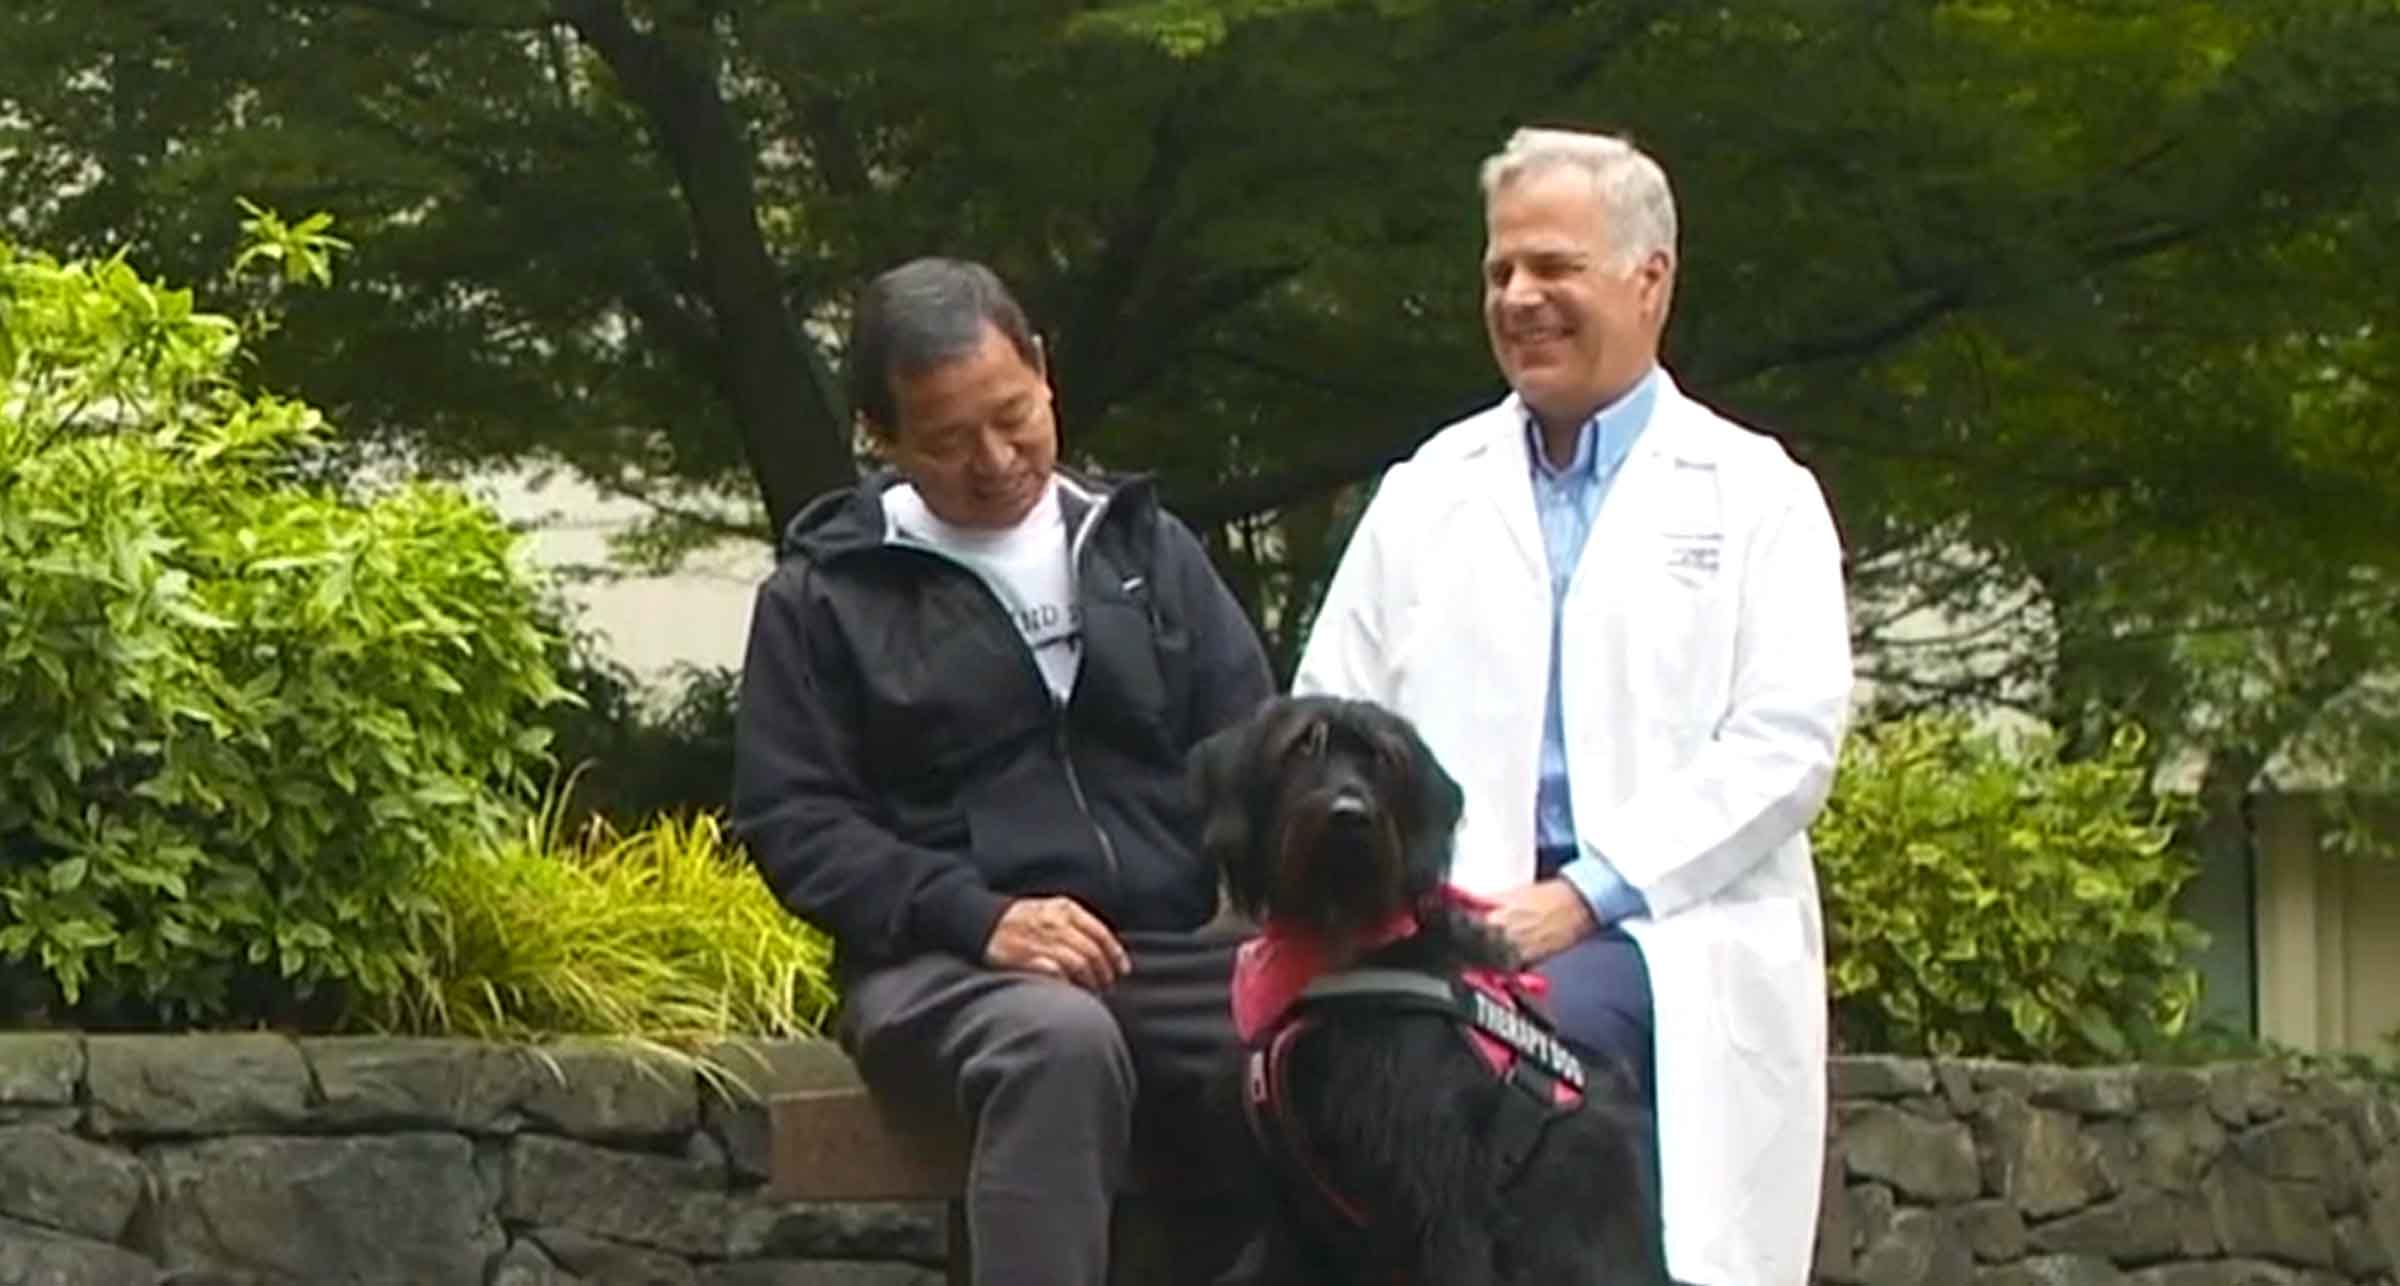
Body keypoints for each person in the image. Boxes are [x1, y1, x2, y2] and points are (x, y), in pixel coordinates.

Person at [1291, 127, 1855, 1285]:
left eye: (1554, 267)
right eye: (1500, 271)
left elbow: (1786, 744)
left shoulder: (1757, 497)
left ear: (1651, 281)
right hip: (1429, 920)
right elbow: (1328, 711)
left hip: (1663, 929)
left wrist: (1585, 893)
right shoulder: (1426, 493)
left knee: (1526, 1068)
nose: (1519, 297)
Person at [729, 257, 1277, 1286]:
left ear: (1044, 371)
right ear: (880, 439)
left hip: (1163, 946)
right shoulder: (824, 595)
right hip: (944, 968)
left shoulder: (1147, 550)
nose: (994, 458)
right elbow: (793, 817)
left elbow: (1251, 746)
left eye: (1014, 415)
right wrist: (979, 915)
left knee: (1329, 1031)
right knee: (1056, 1042)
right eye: (945, 440)